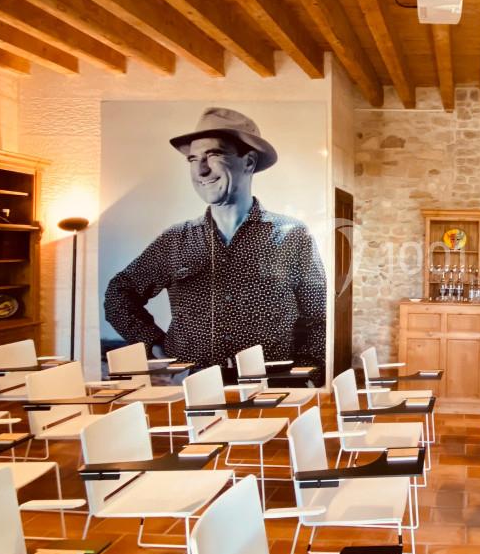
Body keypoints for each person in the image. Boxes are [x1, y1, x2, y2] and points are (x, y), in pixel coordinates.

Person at [104, 107, 326, 373]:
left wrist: (305, 372)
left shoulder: (292, 235)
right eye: (192, 159)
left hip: (273, 386)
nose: (201, 170)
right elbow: (119, 293)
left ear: (249, 162)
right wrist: (155, 346)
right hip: (193, 387)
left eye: (214, 155)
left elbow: (318, 317)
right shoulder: (176, 240)